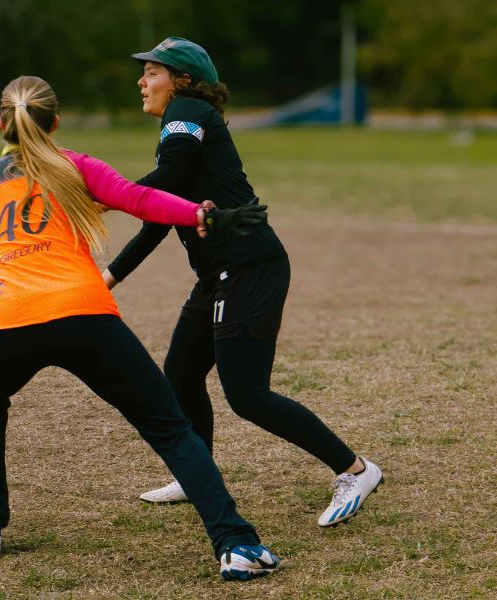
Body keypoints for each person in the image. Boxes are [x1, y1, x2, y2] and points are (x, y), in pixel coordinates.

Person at [0, 75, 278, 580]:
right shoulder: (77, 167)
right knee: (170, 428)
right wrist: (200, 213)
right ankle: (237, 544)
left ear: (1, 124)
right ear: (56, 122)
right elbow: (140, 199)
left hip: (7, 320)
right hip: (84, 313)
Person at [103, 37, 383, 527]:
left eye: (152, 72)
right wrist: (106, 278)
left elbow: (165, 178)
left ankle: (355, 470)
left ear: (182, 80)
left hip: (250, 268)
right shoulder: (182, 124)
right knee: (183, 375)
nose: (142, 81)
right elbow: (159, 218)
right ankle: (199, 478)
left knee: (247, 394)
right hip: (220, 275)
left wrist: (106, 193)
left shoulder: (185, 112)